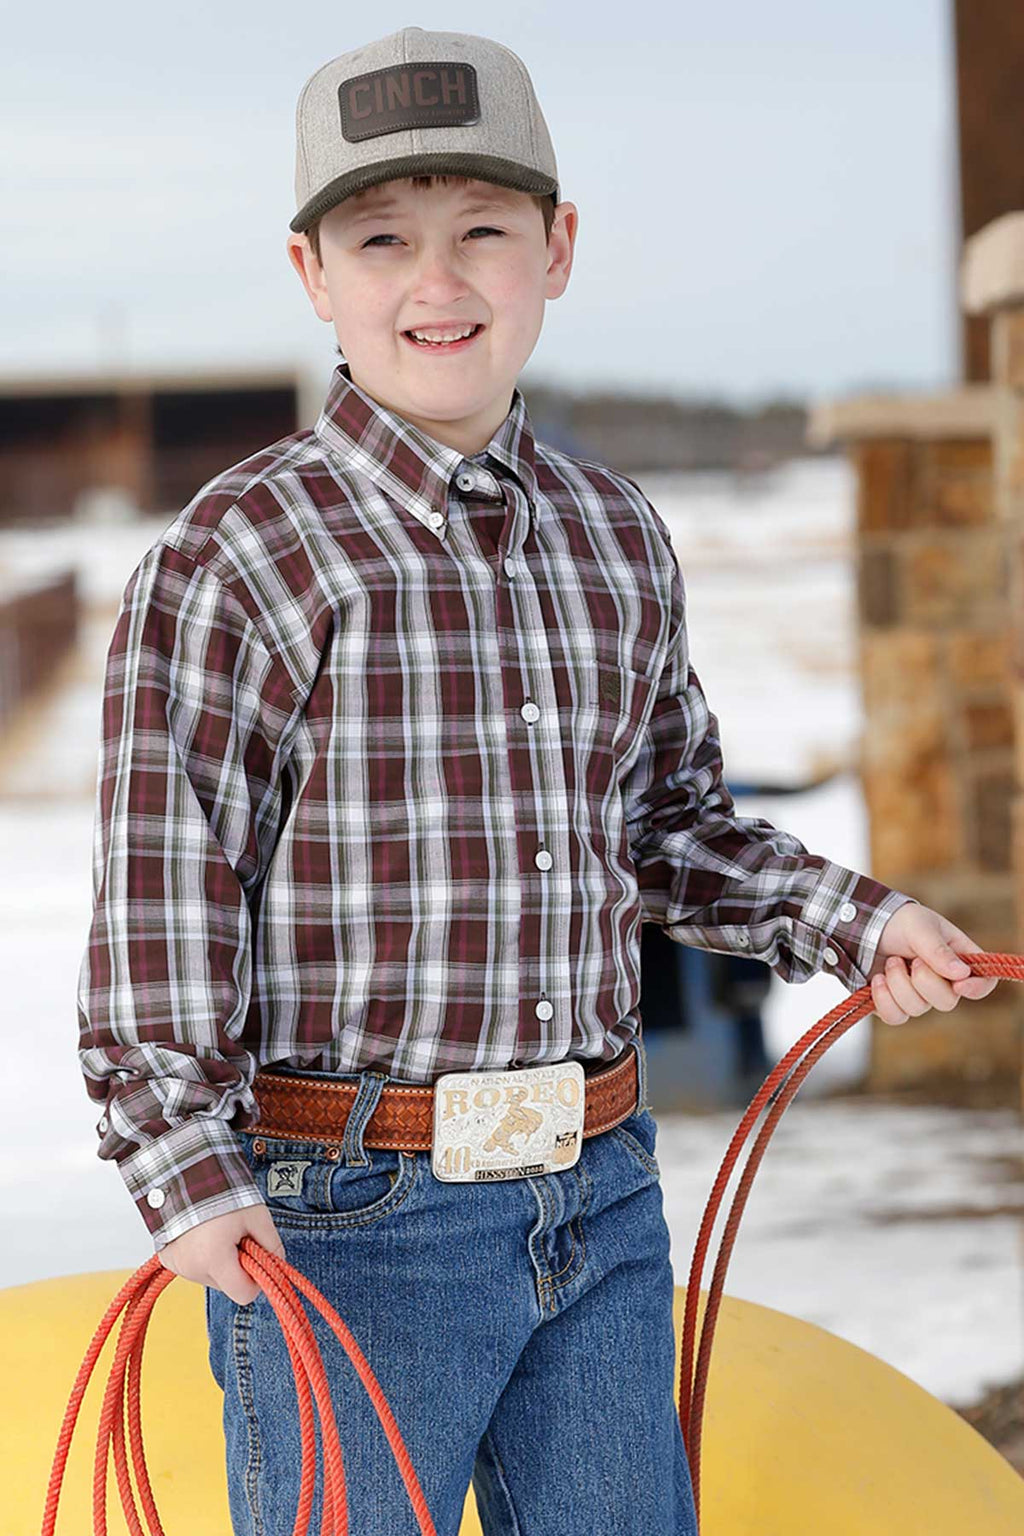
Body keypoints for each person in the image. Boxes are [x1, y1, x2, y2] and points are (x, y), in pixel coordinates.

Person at [75, 26, 997, 1536]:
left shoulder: (613, 530)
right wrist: (186, 1171)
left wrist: (853, 922)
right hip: (343, 1222)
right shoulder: (235, 558)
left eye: (483, 235)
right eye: (383, 241)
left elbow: (667, 830)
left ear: (556, 251)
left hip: (601, 1189)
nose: (437, 285)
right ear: (314, 275)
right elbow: (167, 908)